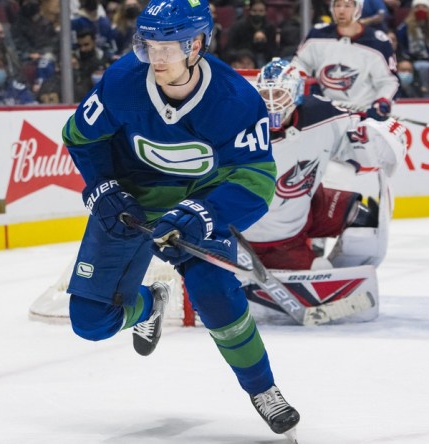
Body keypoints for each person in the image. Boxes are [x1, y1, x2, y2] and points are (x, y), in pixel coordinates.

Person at [60, 0, 300, 439]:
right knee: (89, 321)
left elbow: (257, 180)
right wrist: (101, 186)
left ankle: (263, 389)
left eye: (170, 45)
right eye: (150, 44)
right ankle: (150, 303)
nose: (158, 56)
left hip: (197, 203)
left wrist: (204, 214)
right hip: (129, 201)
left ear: (198, 44)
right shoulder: (121, 82)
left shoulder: (235, 100)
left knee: (214, 292)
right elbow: (80, 137)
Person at [243, 58, 407, 274]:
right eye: (266, 95)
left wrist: (379, 128)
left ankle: (345, 279)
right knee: (319, 271)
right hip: (255, 239)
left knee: (366, 219)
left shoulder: (323, 117)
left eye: (279, 94)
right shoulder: (240, 129)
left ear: (295, 94)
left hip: (305, 212)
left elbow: (368, 153)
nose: (272, 103)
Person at [292, 0, 398, 120]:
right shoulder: (318, 34)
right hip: (325, 115)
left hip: (363, 116)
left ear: (358, 9)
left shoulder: (378, 43)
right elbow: (299, 64)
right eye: (337, 5)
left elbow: (389, 81)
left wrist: (382, 101)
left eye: (347, 5)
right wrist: (304, 81)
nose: (341, 10)